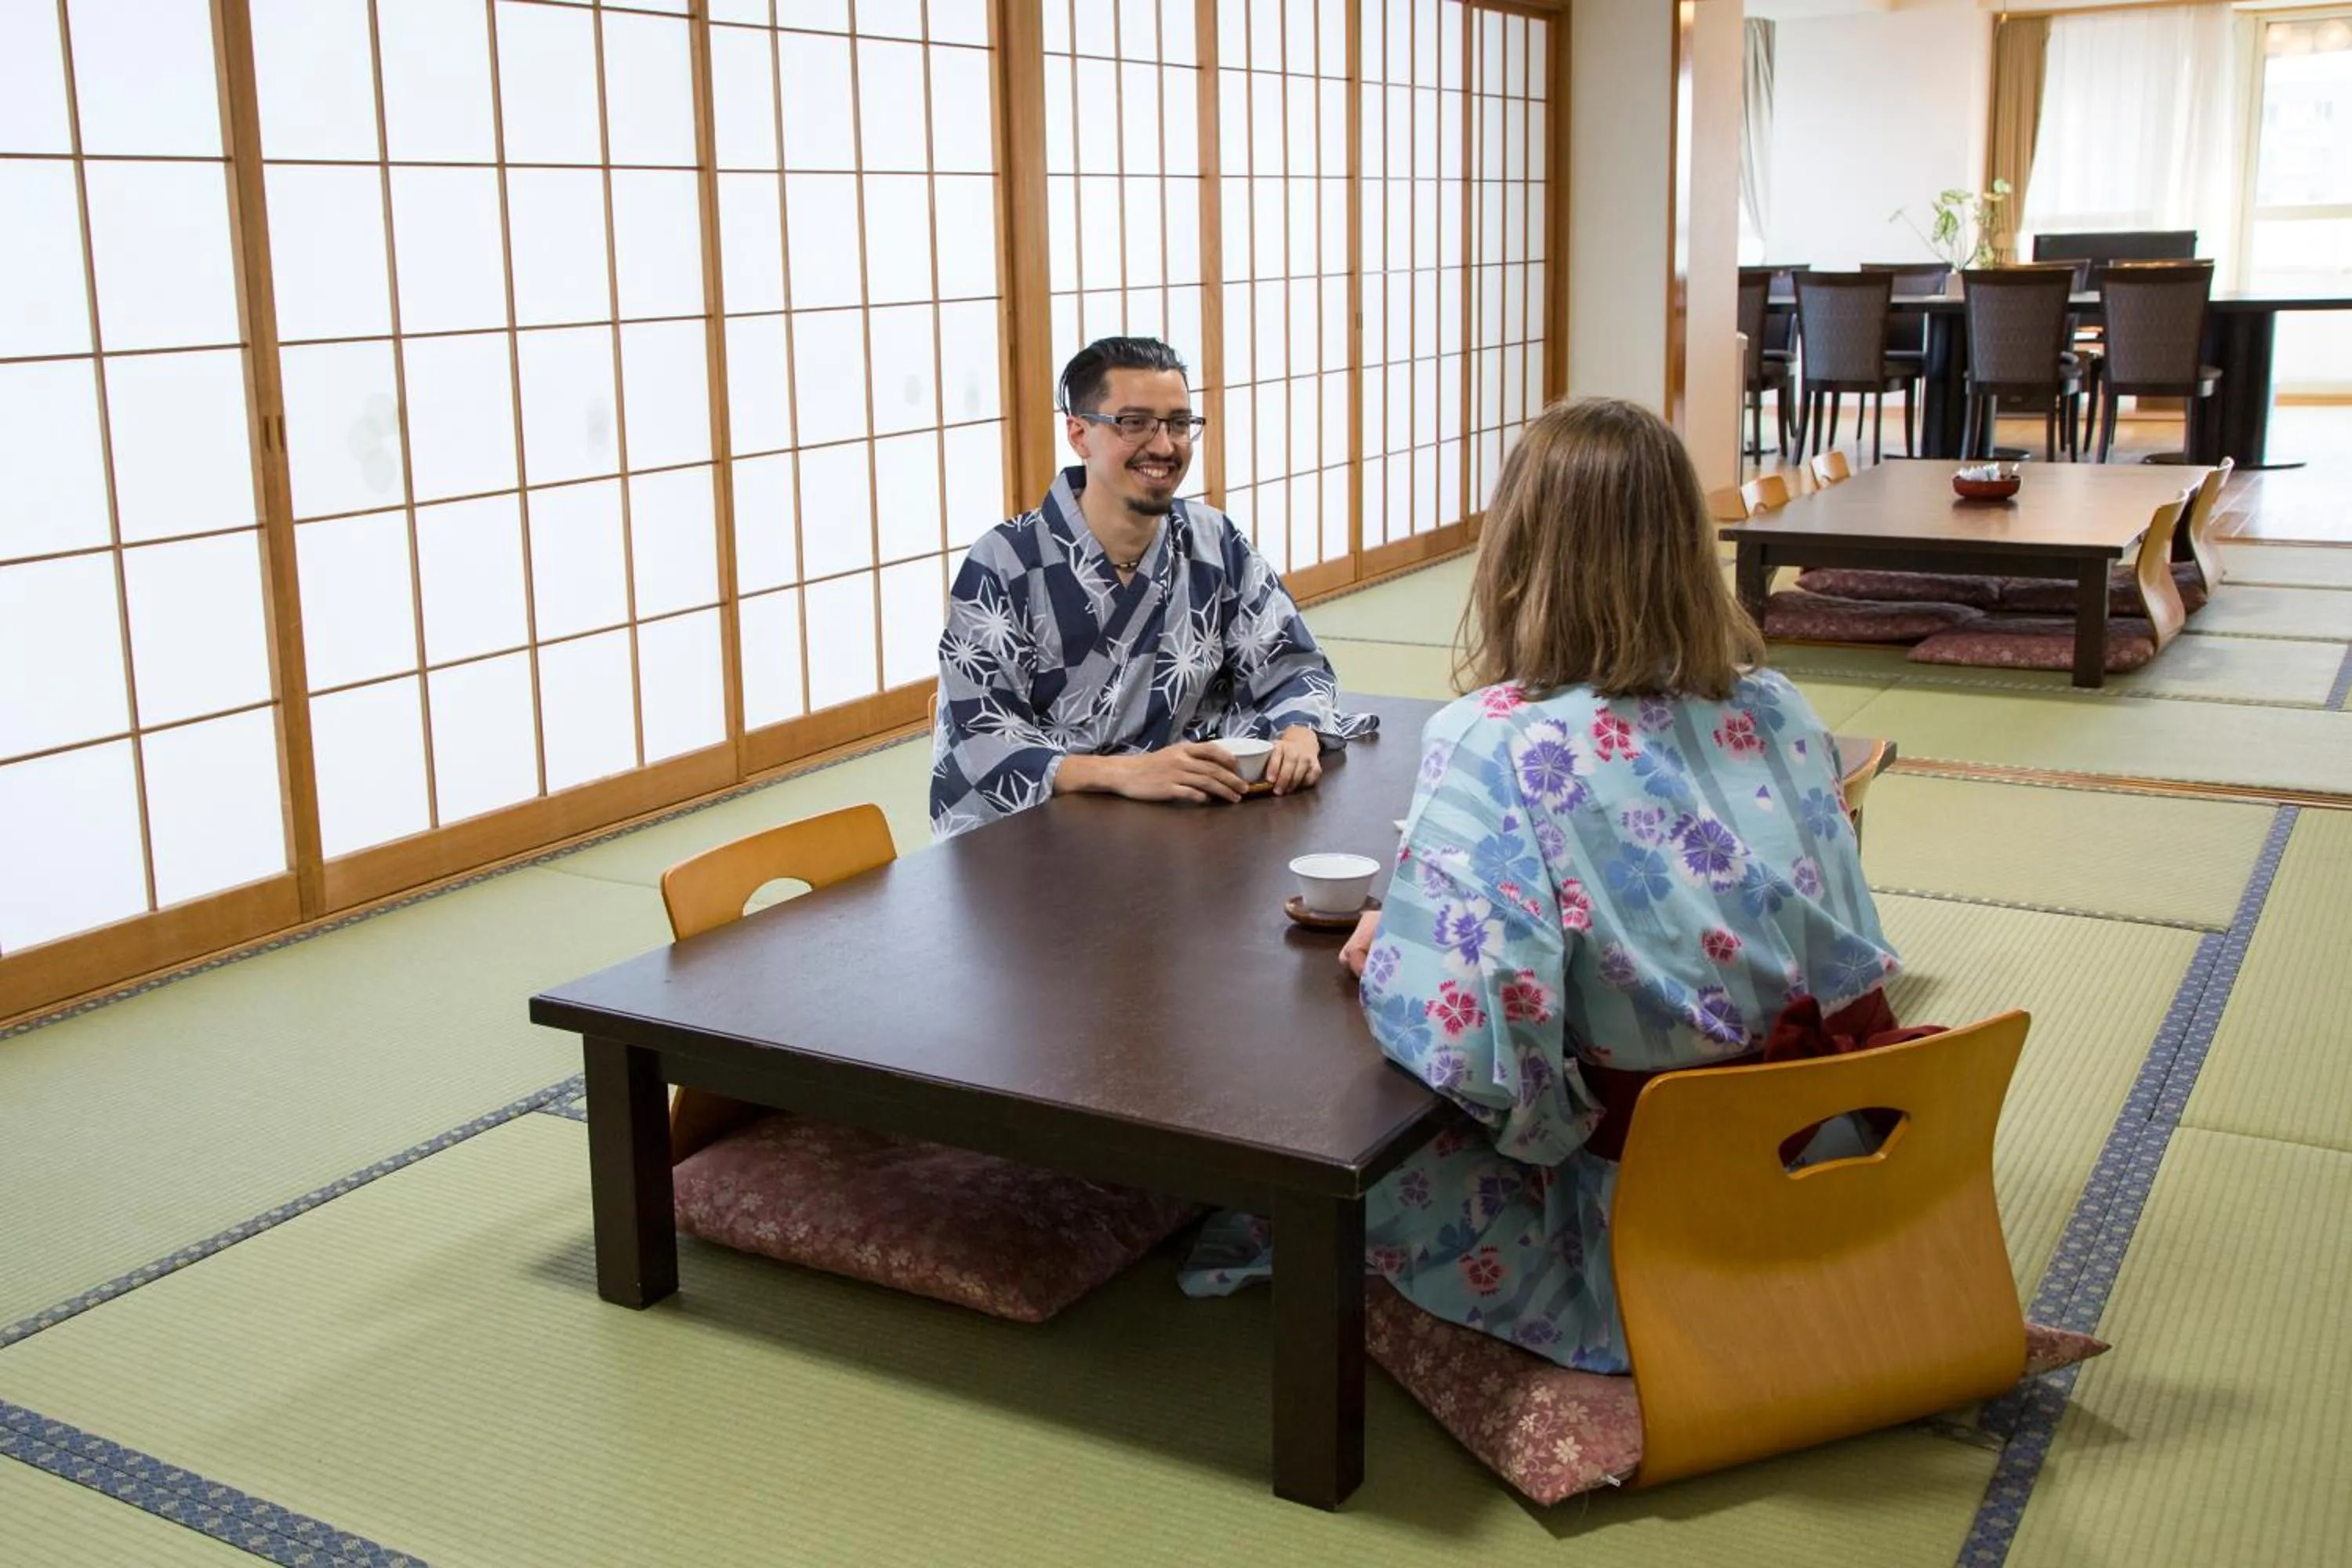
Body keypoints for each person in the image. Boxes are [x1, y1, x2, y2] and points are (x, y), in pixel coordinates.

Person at [1180, 397, 1903, 1374]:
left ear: (1519, 552)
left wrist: (1396, 948)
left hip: (1652, 1213)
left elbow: (1485, 1054)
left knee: (1269, 1202)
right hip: (1841, 1163)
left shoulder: (1498, 737)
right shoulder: (1772, 703)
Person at [929, 337, 1374, 838]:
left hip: (1174, 826)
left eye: (1180, 424)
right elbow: (983, 739)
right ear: (1079, 434)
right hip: (1035, 839)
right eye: (1134, 423)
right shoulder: (1004, 562)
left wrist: (1298, 732)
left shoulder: (1212, 542)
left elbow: (1290, 664)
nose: (1164, 446)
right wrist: (1125, 774)